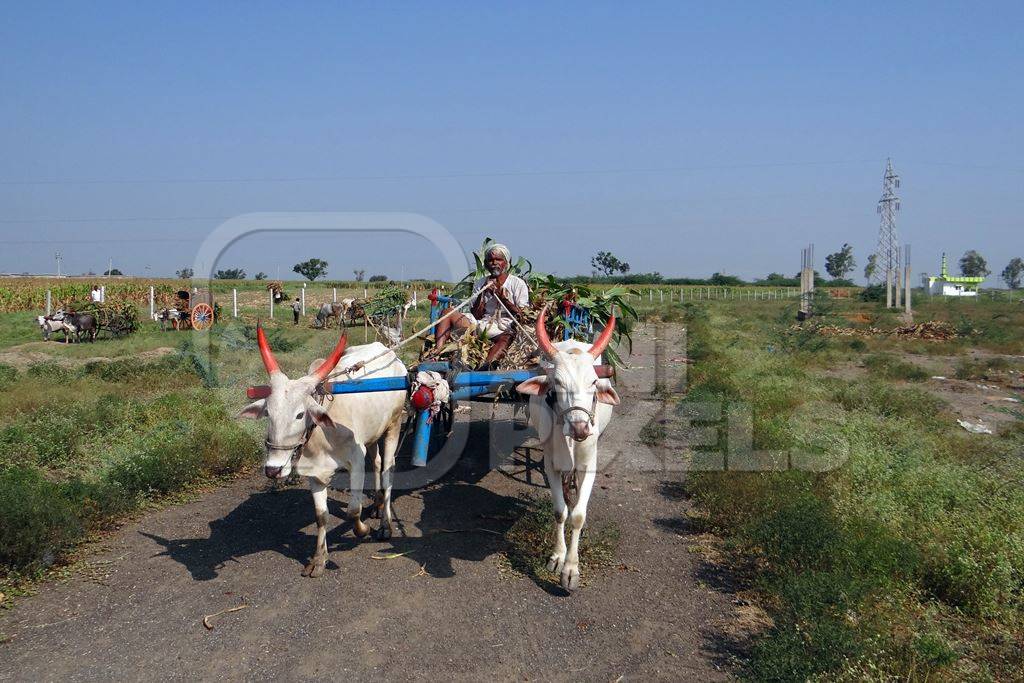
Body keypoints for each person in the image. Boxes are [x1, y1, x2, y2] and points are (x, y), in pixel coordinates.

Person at [434, 243, 529, 369]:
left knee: (509, 335)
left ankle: (487, 365)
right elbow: (476, 315)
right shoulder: (480, 283)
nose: (494, 263)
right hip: (481, 324)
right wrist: (483, 293)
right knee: (447, 312)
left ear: (506, 262)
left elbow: (522, 316)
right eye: (490, 260)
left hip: (505, 326)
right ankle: (437, 352)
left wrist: (503, 298)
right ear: (485, 264)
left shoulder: (517, 283)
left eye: (498, 260)